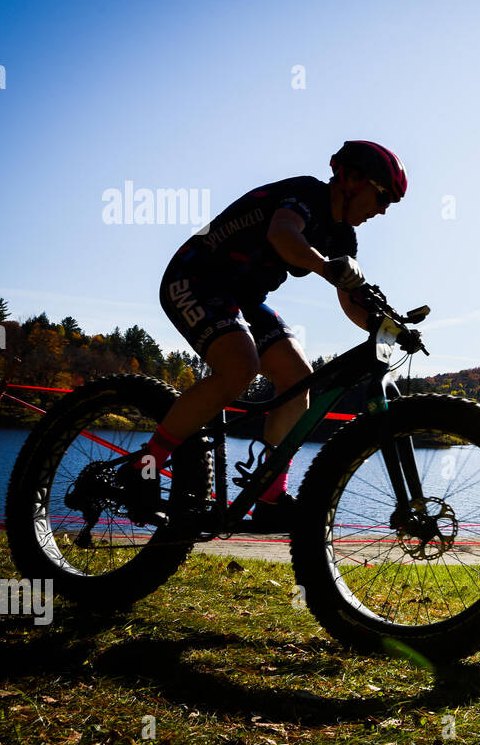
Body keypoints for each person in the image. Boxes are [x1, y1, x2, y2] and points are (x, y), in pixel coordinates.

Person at [118, 140, 408, 533]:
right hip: (195, 276)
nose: (384, 209)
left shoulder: (344, 238)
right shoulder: (305, 193)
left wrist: (386, 329)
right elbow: (283, 235)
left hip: (243, 297)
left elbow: (351, 300)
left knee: (297, 375)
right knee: (241, 365)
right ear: (351, 180)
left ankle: (269, 498)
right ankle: (142, 468)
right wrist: (326, 267)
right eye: (382, 196)